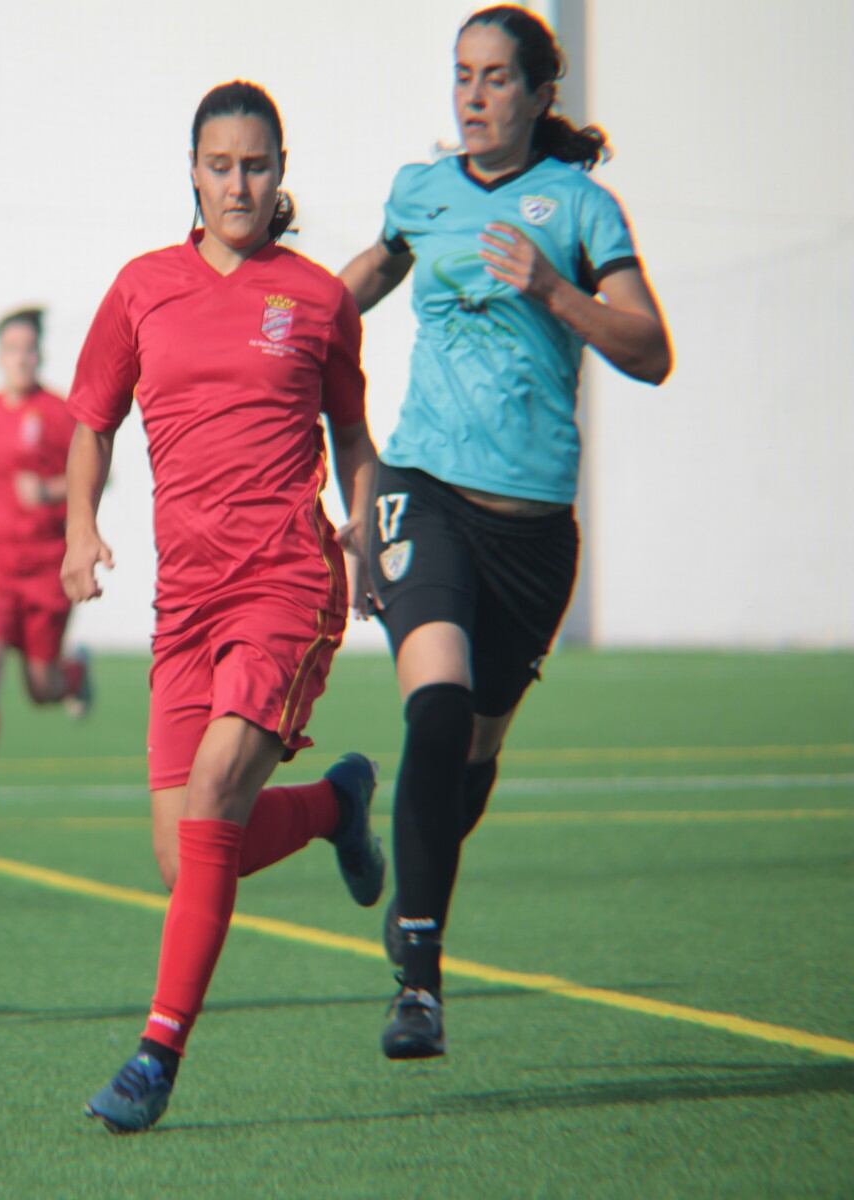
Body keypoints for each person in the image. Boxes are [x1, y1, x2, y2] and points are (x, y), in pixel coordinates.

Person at [338, 5, 672, 1060]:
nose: (472, 97)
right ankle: (420, 981)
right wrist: (270, 318)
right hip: (421, 489)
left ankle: (417, 876)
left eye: (493, 80)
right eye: (461, 77)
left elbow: (651, 349)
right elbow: (352, 291)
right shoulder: (419, 193)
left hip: (530, 538)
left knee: (470, 751)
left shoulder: (579, 207)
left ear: (537, 96)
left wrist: (555, 290)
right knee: (433, 716)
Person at [63, 81, 384, 1134]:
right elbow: (93, 418)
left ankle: (156, 1052)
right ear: (191, 175)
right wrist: (79, 528)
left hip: (286, 584)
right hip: (184, 602)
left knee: (207, 810)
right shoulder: (140, 288)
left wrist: (365, 532)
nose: (237, 183)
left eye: (255, 164)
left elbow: (353, 434)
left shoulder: (316, 300)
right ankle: (337, 806)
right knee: (184, 850)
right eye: (218, 165)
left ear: (279, 171)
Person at [0, 307, 92, 830]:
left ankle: (73, 675)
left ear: (40, 354)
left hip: (45, 569)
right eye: (12, 349)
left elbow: (98, 476)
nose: (21, 358)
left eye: (29, 349)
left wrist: (50, 490)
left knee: (40, 688)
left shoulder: (60, 410)